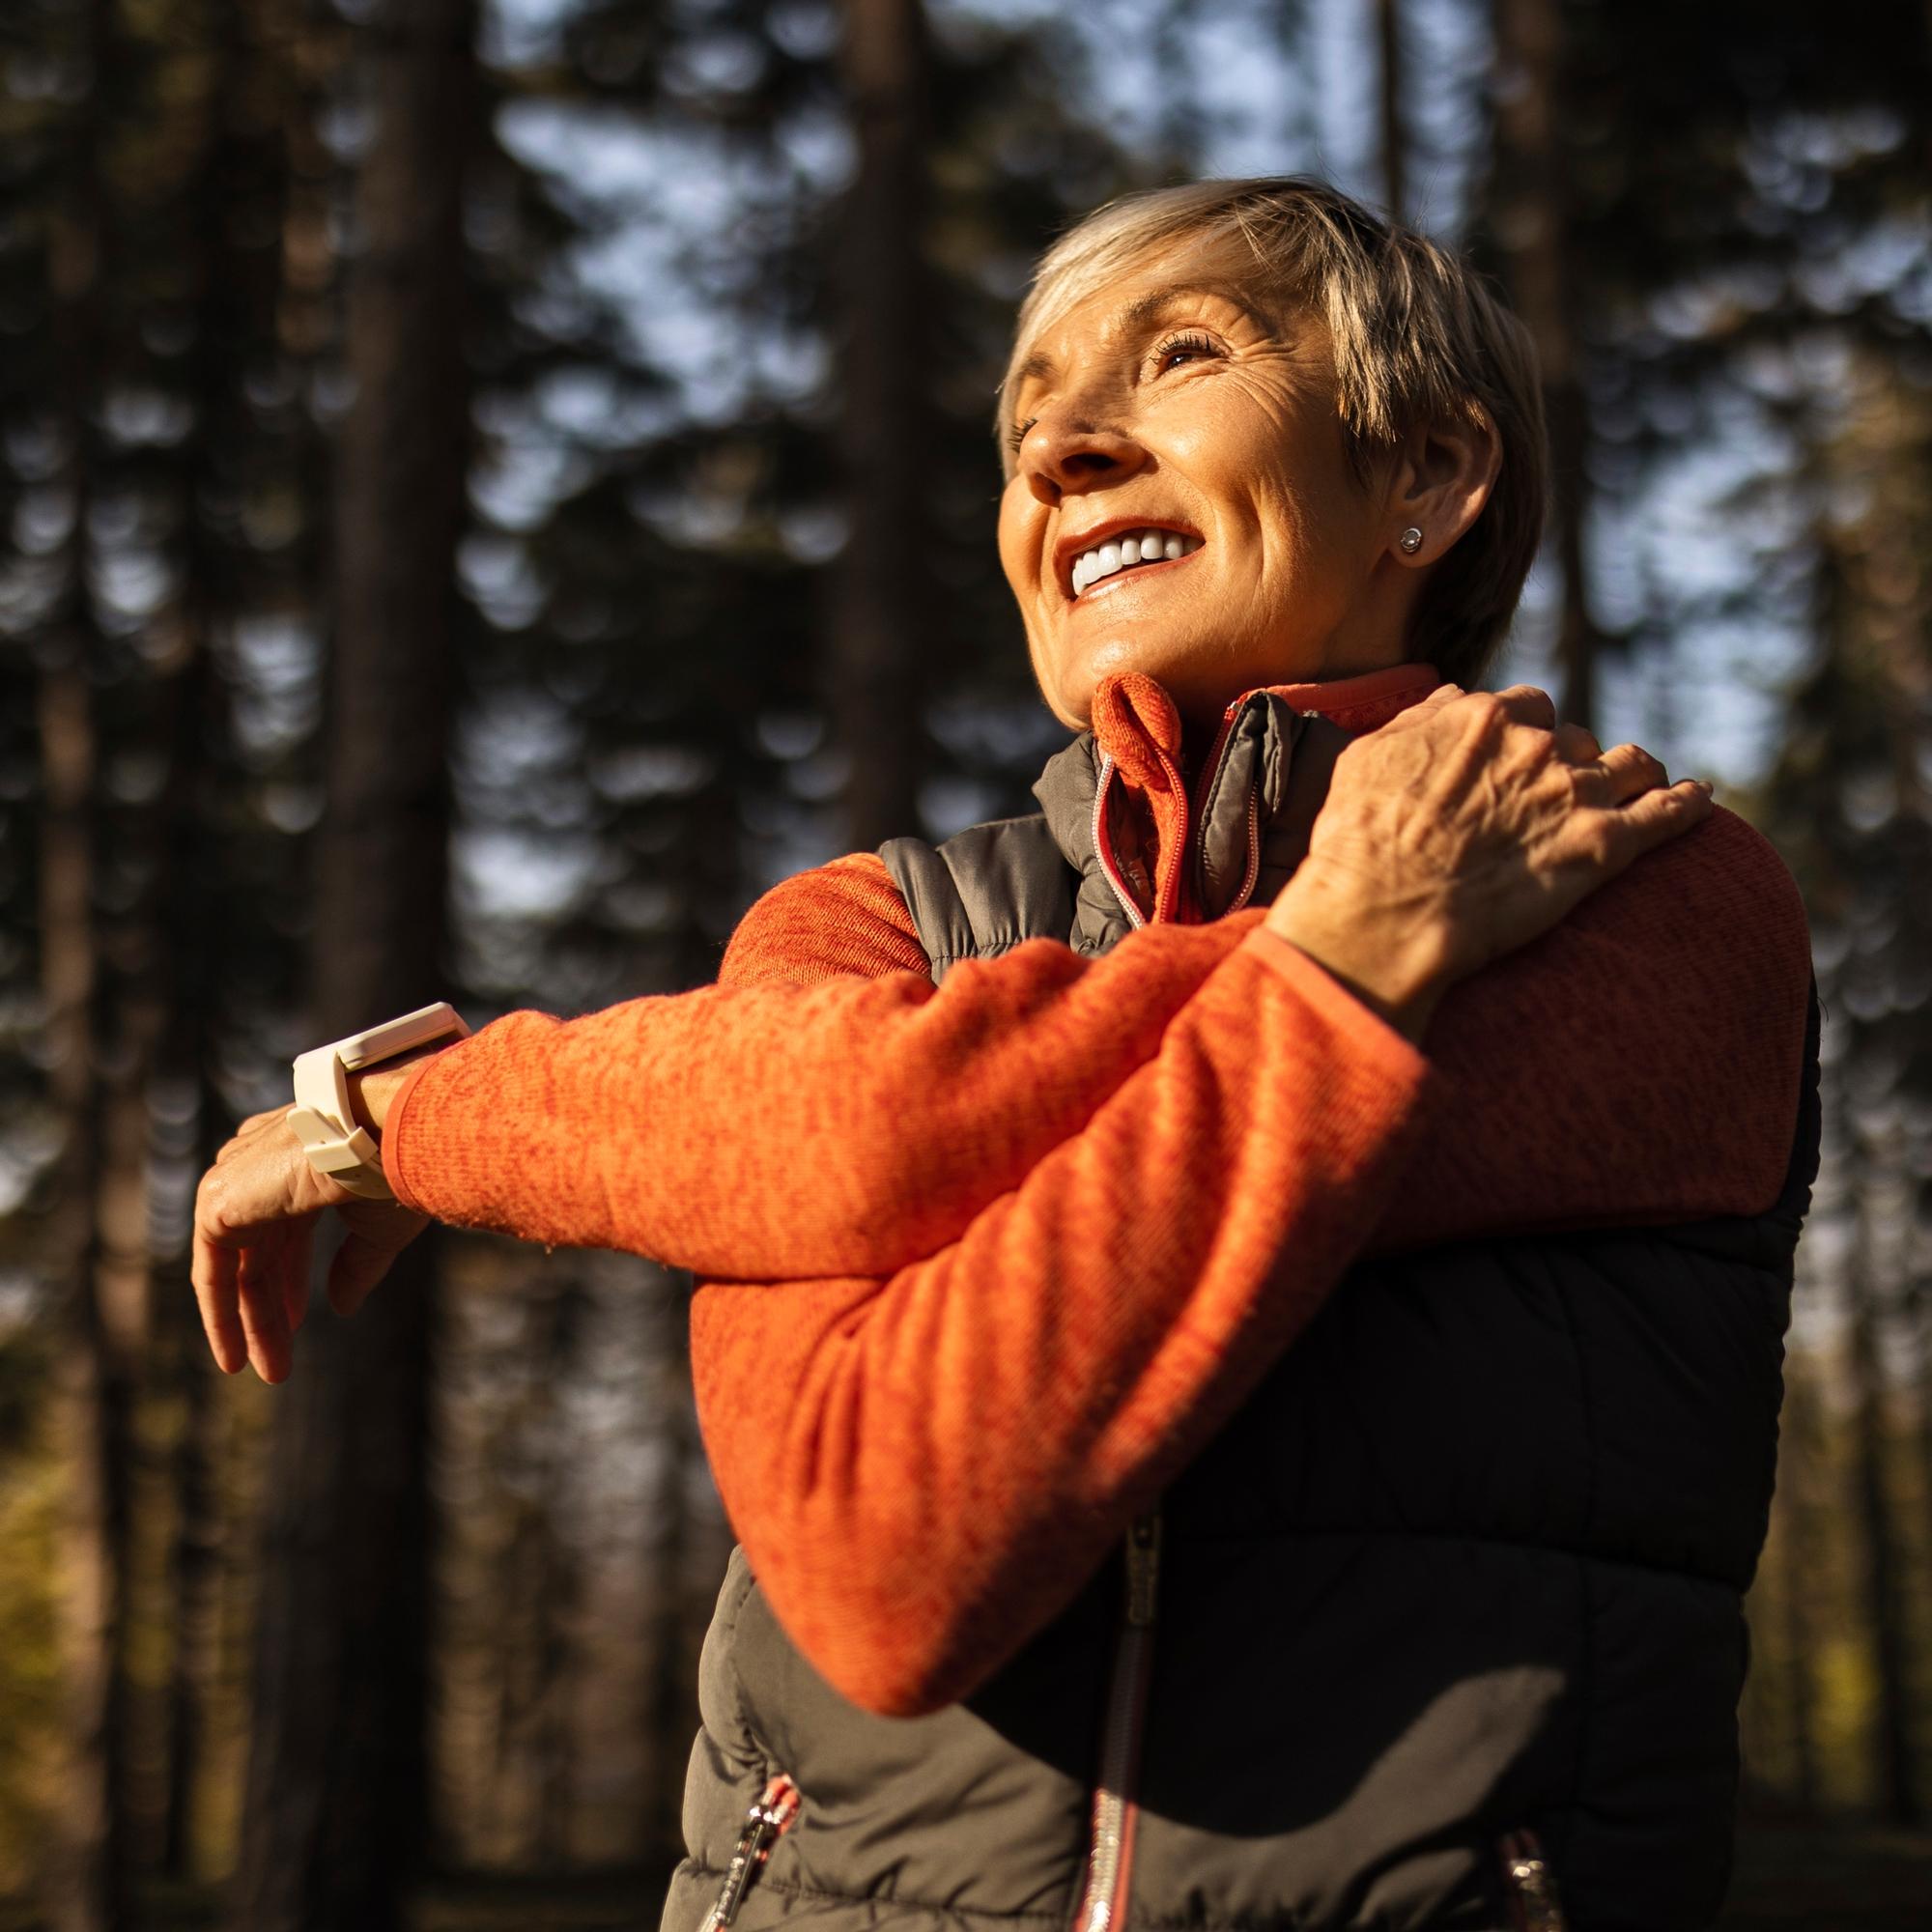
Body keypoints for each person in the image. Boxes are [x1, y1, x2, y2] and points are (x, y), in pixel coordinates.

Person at [194, 177, 1819, 1932]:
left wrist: (438, 1114)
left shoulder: (1650, 895)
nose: (1059, 450)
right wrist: (1356, 952)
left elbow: (886, 1157)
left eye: (1181, 355)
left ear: (1428, 469)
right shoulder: (866, 924)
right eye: (1030, 413)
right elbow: (876, 1526)